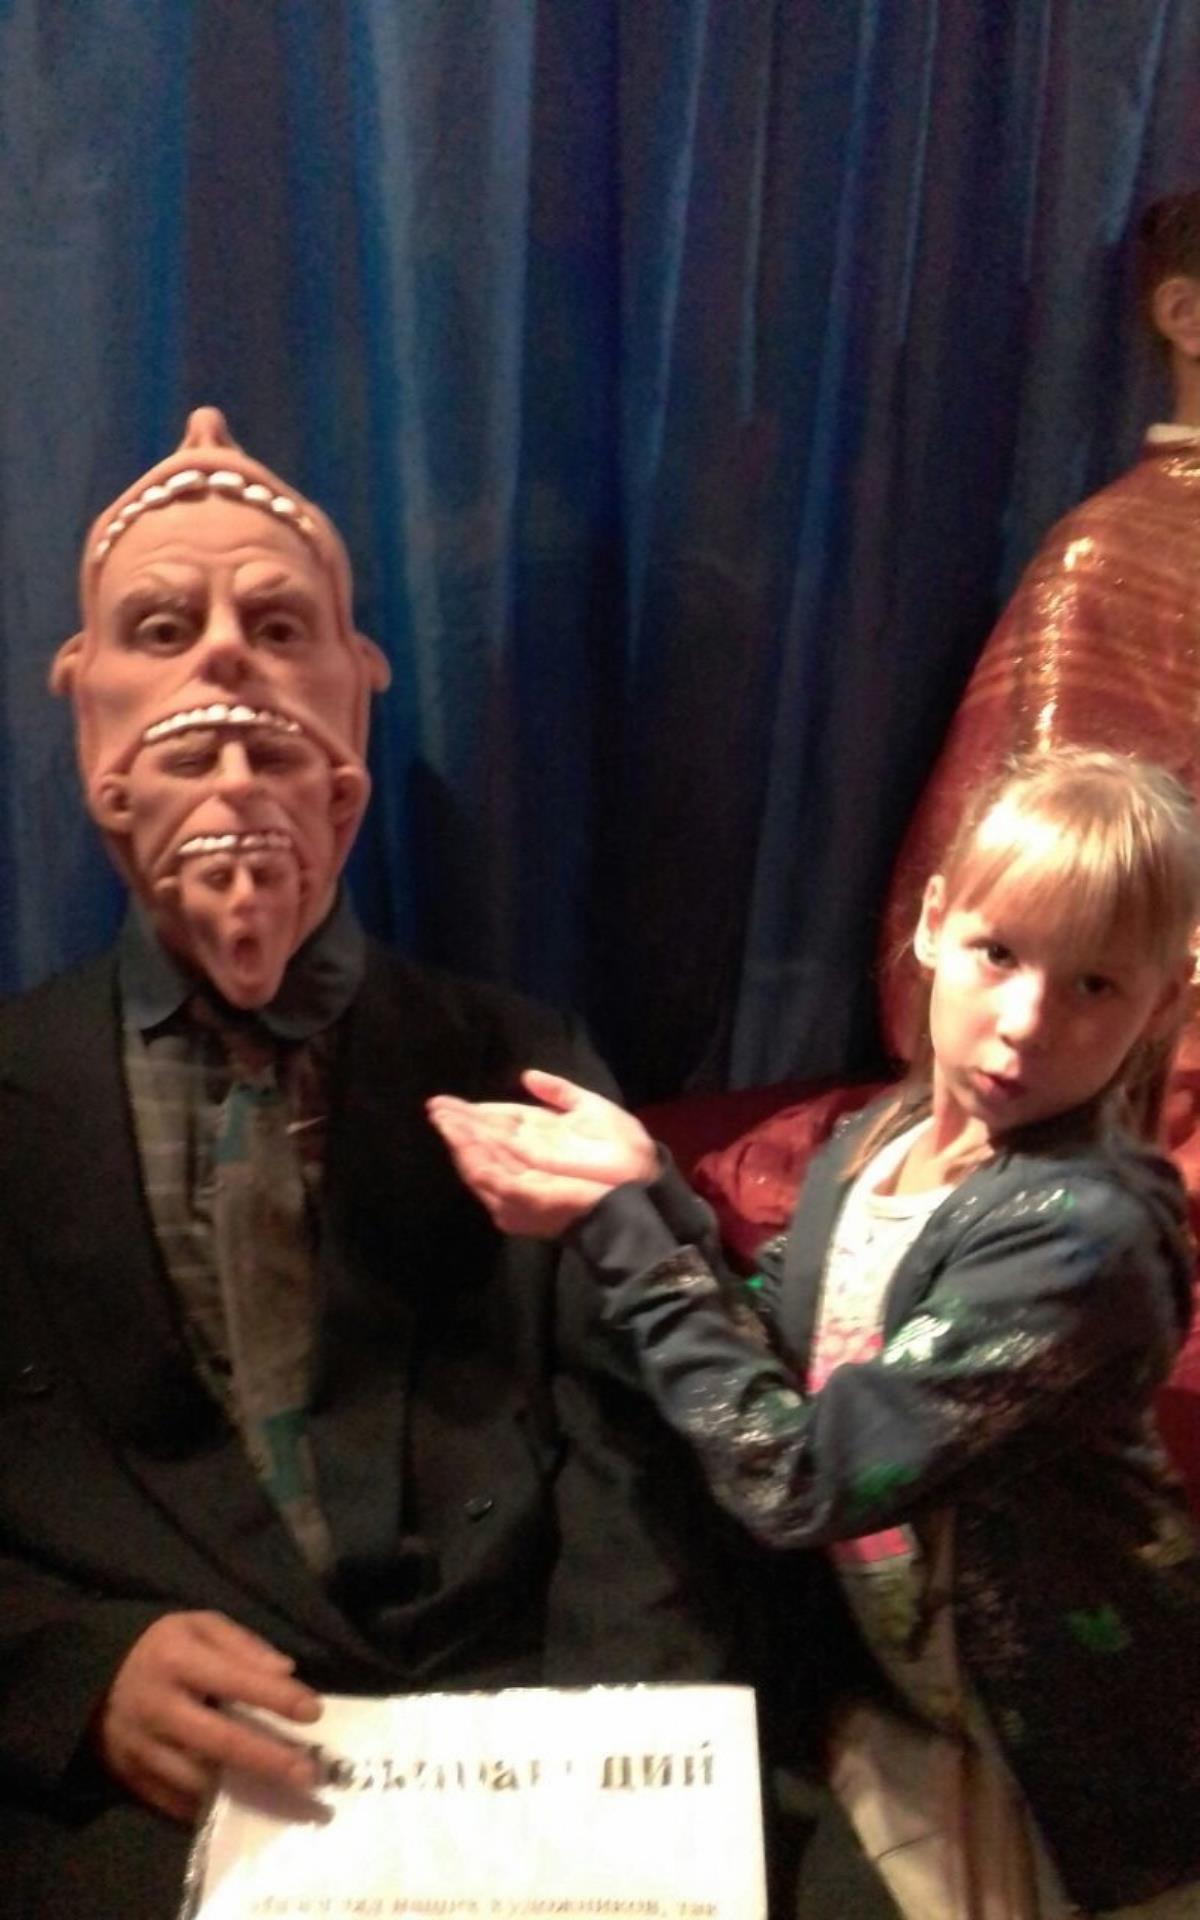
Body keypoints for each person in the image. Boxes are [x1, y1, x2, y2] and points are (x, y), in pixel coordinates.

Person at [0, 410, 757, 1919]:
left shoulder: (523, 1058)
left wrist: (610, 1781)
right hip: (166, 1802)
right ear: (87, 712)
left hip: (519, 1750)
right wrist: (70, 1671)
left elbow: (641, 1454)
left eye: (280, 627)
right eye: (165, 629)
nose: (227, 662)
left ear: (356, 702)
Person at [430, 748, 1200, 1919]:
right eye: (1000, 953)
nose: (1026, 1022)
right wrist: (655, 1189)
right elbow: (775, 1341)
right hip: (908, 1688)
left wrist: (628, 1232)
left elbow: (796, 1475)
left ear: (1161, 1007)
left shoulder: (1080, 1243)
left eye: (1095, 985)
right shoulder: (878, 1144)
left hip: (1083, 1742)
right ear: (934, 923)